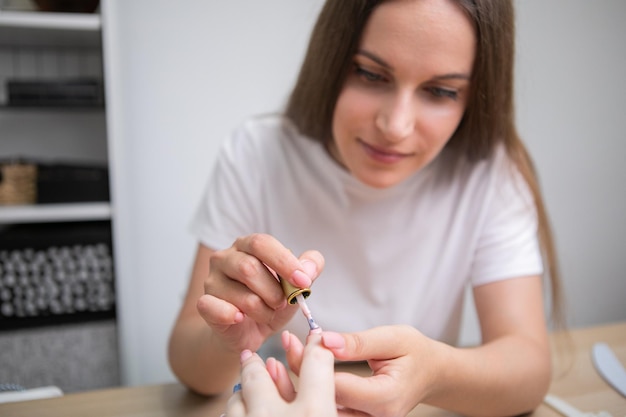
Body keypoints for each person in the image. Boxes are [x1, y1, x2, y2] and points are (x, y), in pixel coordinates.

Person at [168, 0, 564, 415]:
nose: (395, 126)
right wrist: (230, 336)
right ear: (331, 60)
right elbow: (188, 365)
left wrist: (438, 372)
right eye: (371, 74)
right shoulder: (256, 154)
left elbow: (529, 369)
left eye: (441, 91)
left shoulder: (489, 175)